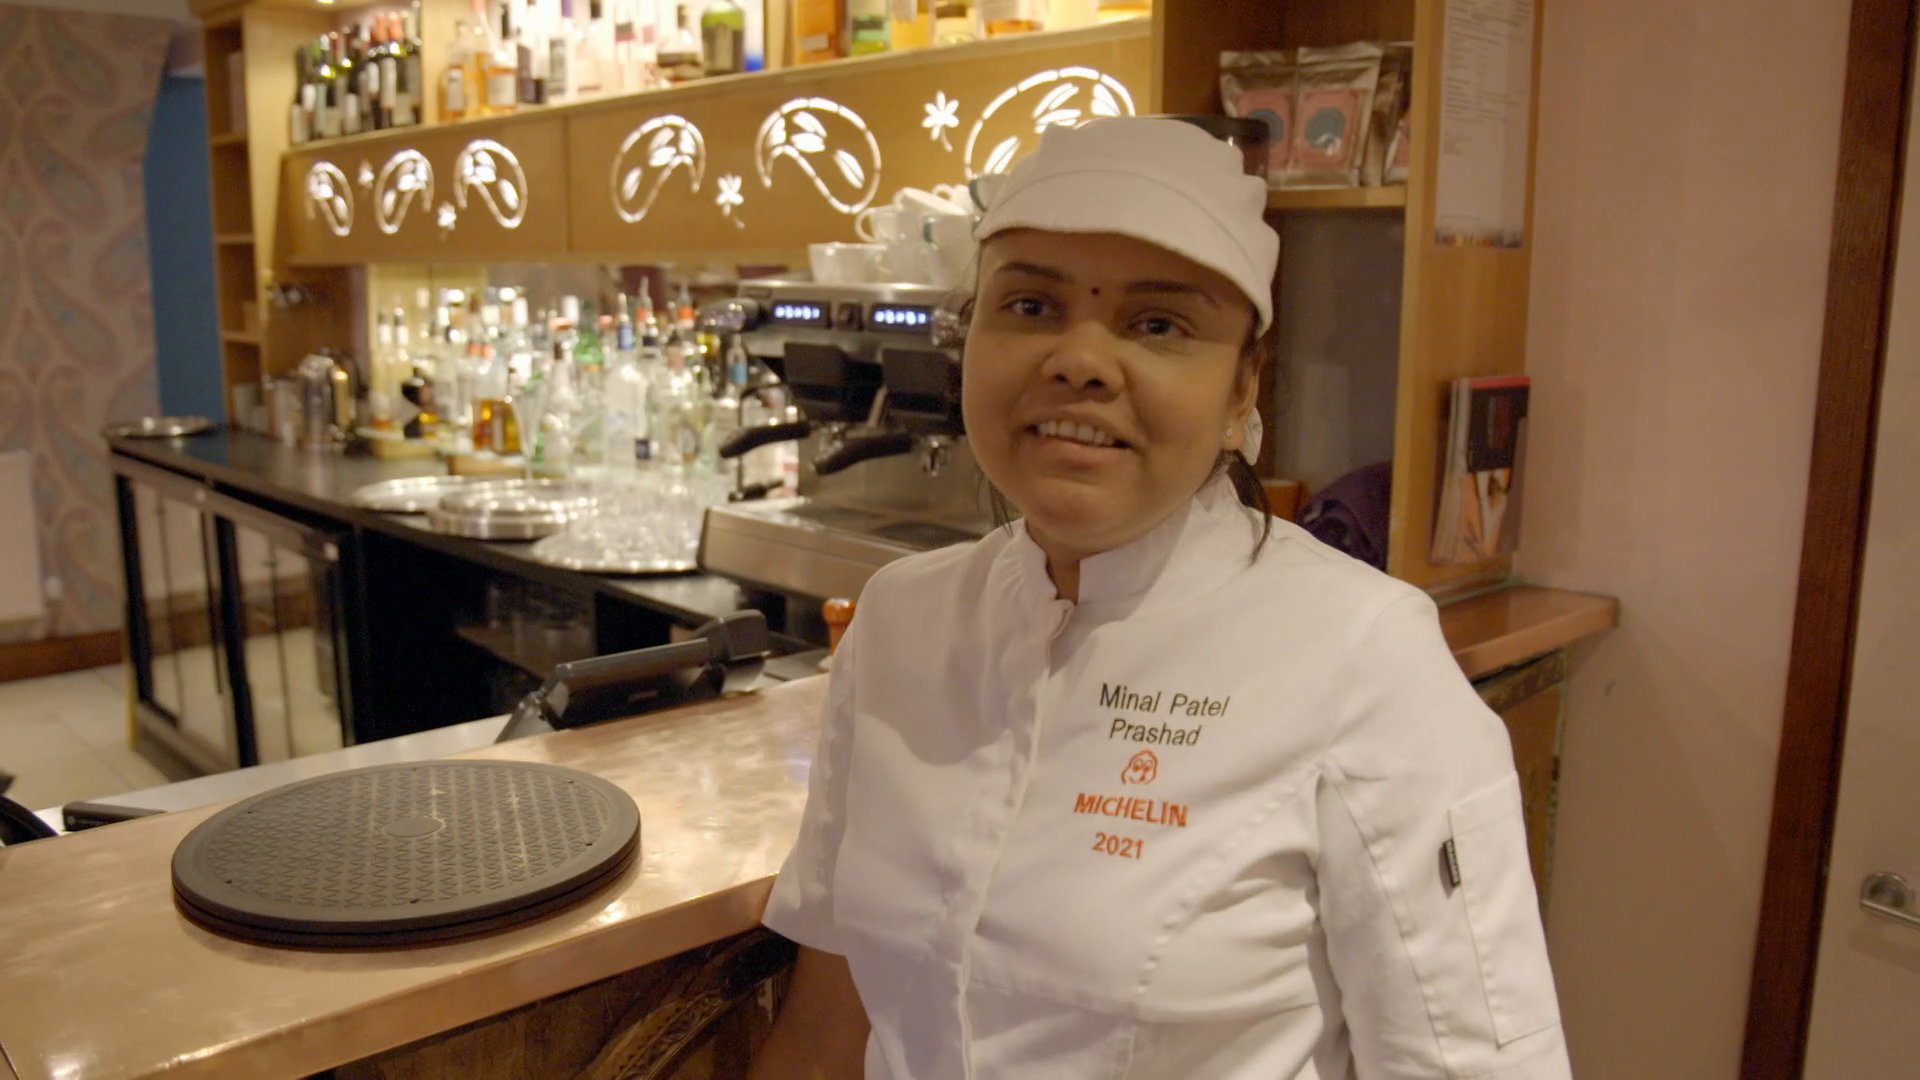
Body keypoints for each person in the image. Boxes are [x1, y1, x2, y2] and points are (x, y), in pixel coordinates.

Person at [748, 118, 1571, 1079]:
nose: (1080, 360)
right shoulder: (899, 620)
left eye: (1158, 325)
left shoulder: (1366, 656)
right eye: (1030, 305)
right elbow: (826, 1033)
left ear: (1240, 391)